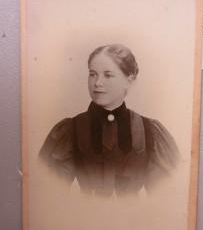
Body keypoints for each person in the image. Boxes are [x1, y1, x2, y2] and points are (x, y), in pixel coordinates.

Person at [39, 44, 179, 197]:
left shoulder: (150, 130)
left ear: (129, 80)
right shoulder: (70, 129)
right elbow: (49, 192)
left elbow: (166, 196)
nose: (97, 83)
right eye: (93, 74)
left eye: (108, 75)